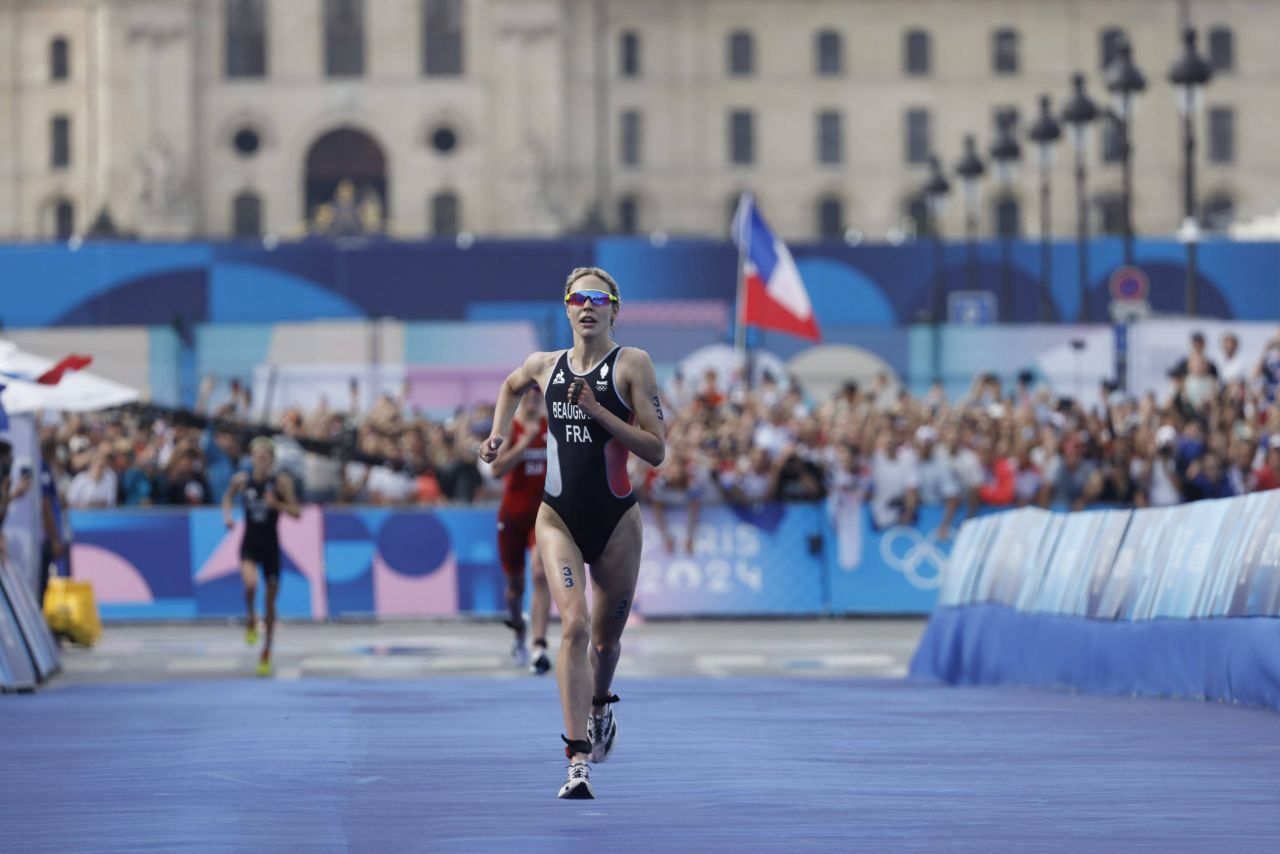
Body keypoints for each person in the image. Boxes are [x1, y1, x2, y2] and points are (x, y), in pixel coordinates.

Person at [479, 267, 666, 800]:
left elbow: (657, 450)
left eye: (598, 298)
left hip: (616, 523)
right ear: (566, 308)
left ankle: (602, 706)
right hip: (556, 517)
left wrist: (598, 412)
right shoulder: (545, 365)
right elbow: (510, 385)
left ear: (614, 309)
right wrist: (497, 434)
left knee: (606, 644)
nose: (588, 306)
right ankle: (576, 757)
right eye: (578, 297)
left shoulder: (633, 364)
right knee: (575, 627)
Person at [222, 437, 301, 677]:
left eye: (265, 456)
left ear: (272, 460)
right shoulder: (242, 480)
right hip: (250, 544)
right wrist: (227, 516)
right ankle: (249, 617)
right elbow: (227, 497)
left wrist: (276, 503)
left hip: (271, 549)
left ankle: (266, 651)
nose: (261, 460)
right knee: (250, 584)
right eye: (257, 455)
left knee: (269, 603)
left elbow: (297, 512)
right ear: (252, 458)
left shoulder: (280, 483)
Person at [488, 387, 553, 675]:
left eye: (536, 395)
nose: (531, 399)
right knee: (515, 589)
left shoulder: (551, 427)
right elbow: (496, 470)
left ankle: (540, 646)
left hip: (542, 516)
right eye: (526, 395)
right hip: (512, 517)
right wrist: (524, 443)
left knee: (540, 574)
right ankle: (518, 630)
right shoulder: (511, 428)